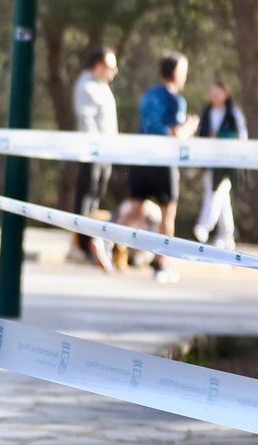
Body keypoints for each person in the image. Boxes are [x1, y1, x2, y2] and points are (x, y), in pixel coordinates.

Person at [123, 52, 196, 283]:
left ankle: (103, 238)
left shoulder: (148, 94)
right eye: (183, 70)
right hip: (162, 159)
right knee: (168, 213)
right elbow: (175, 134)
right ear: (175, 72)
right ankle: (161, 263)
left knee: (135, 208)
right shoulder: (175, 100)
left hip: (140, 156)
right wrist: (191, 126)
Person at [69, 48, 117, 271]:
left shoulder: (102, 86)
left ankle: (92, 240)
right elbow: (87, 119)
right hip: (92, 152)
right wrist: (95, 148)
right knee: (86, 195)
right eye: (110, 66)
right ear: (98, 65)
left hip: (106, 151)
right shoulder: (86, 86)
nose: (114, 71)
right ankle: (81, 244)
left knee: (96, 194)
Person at [193, 80, 248, 251]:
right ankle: (226, 235)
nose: (214, 96)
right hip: (209, 161)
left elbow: (241, 136)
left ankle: (204, 226)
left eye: (218, 92)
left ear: (226, 94)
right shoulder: (206, 112)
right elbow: (201, 135)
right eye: (212, 92)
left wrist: (221, 139)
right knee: (222, 198)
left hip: (227, 163)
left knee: (217, 191)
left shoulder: (233, 113)